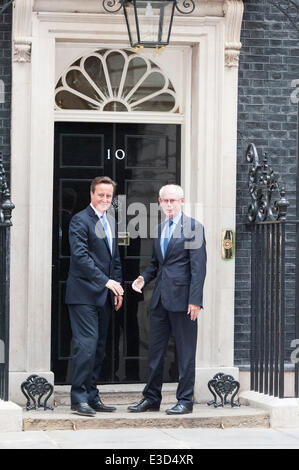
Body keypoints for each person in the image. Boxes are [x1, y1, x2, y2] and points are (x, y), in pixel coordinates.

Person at [128, 184, 206, 415]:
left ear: (182, 202)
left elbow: (198, 268)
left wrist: (195, 300)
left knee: (185, 353)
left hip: (184, 301)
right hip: (160, 299)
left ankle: (185, 400)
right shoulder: (161, 227)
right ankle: (151, 398)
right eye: (165, 201)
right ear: (160, 203)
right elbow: (157, 262)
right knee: (156, 352)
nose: (169, 205)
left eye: (173, 200)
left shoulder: (194, 228)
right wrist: (143, 277)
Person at [65, 176, 123, 417]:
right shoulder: (79, 220)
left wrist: (117, 287)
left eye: (108, 196)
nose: (105, 199)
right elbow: (81, 257)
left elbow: (114, 257)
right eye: (101, 194)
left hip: (105, 295)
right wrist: (106, 282)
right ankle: (78, 398)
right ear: (91, 194)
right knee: (86, 346)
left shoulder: (111, 220)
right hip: (83, 295)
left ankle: (91, 395)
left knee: (99, 348)